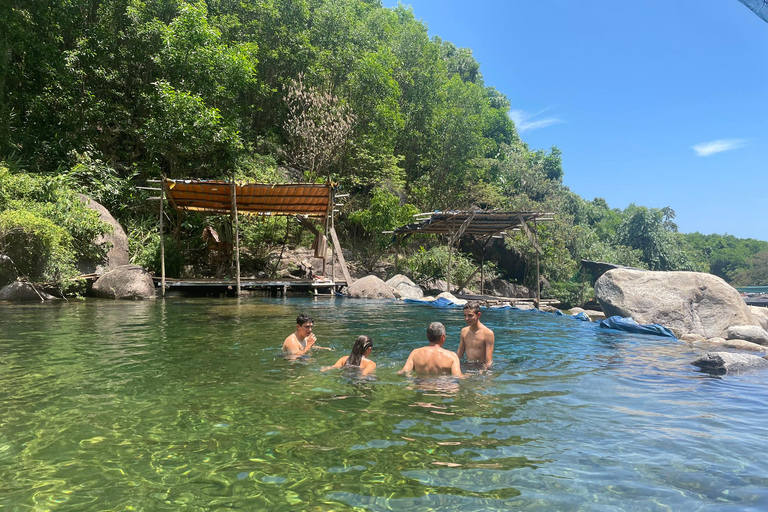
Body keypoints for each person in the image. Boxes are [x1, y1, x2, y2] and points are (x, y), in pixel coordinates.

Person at [398, 322, 463, 377]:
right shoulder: (452, 356)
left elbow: (404, 372)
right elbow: (458, 376)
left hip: (422, 387)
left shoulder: (415, 353)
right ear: (442, 337)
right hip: (442, 388)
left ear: (427, 336)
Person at [457, 301, 495, 367]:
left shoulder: (488, 333)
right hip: (467, 365)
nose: (466, 318)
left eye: (470, 315)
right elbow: (459, 356)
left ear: (479, 315)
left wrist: (484, 372)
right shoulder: (464, 331)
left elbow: (488, 361)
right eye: (465, 315)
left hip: (480, 367)